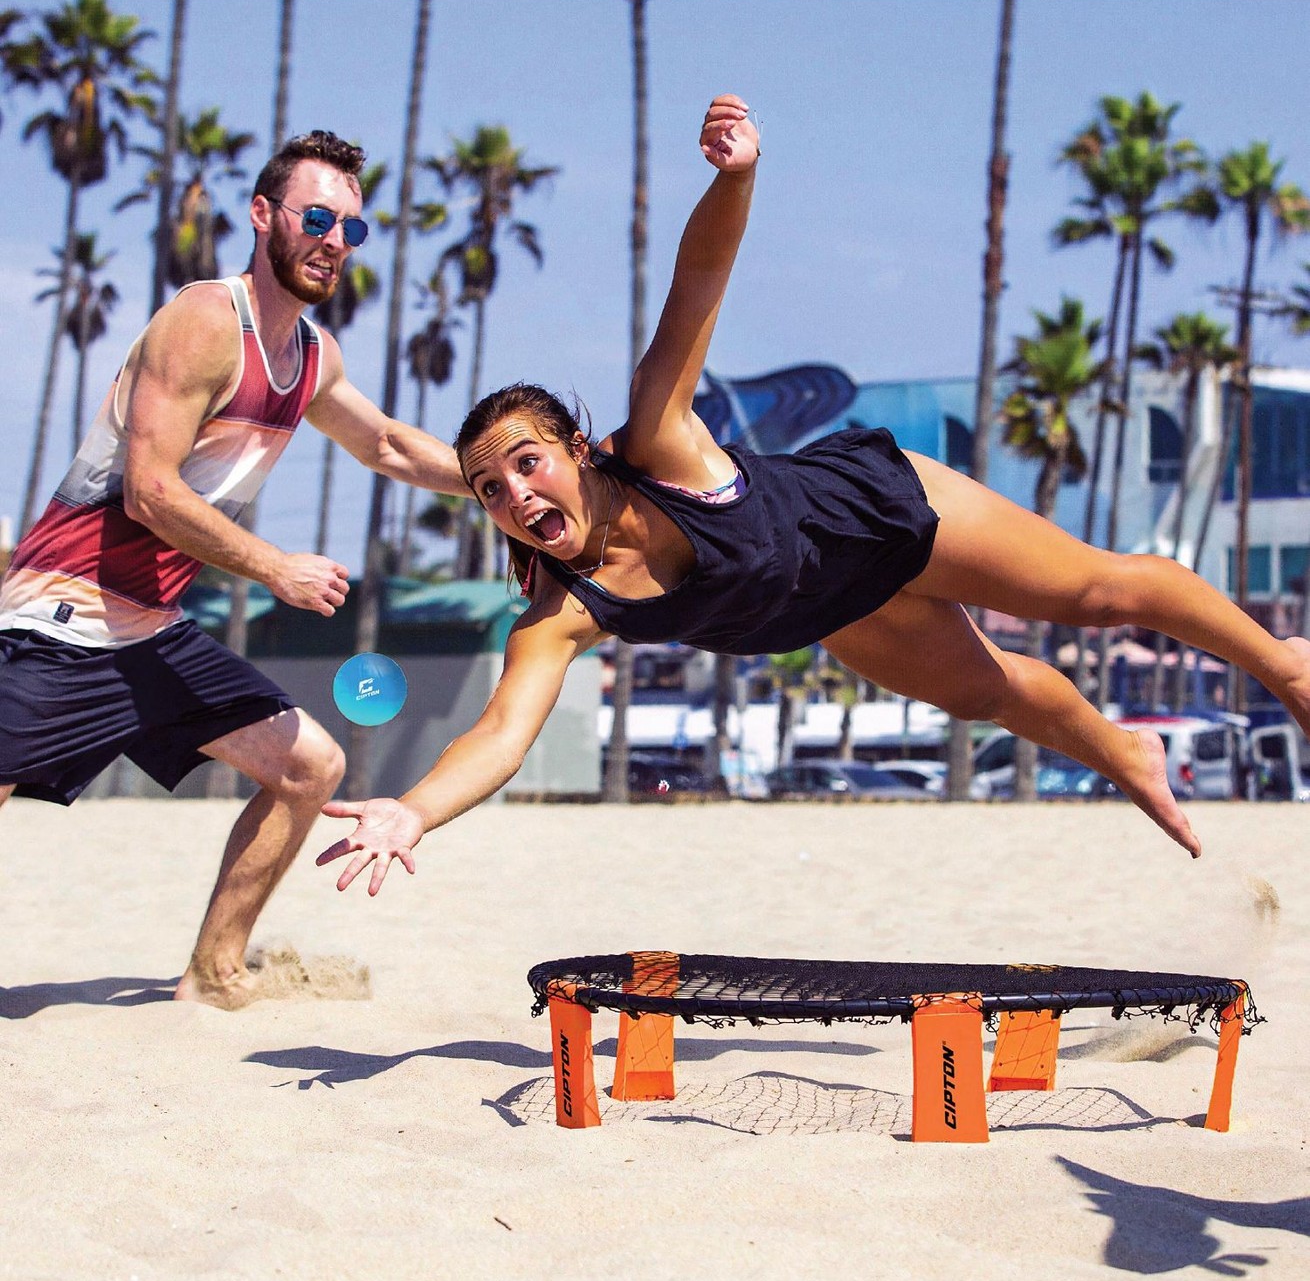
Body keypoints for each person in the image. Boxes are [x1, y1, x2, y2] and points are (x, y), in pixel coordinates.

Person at [316, 93, 1310, 894]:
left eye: (527, 462)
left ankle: (1283, 666)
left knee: (1092, 593)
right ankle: (1125, 753)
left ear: (577, 451)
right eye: (489, 488)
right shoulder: (558, 616)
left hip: (873, 506)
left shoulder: (655, 442)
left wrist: (736, 177)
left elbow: (695, 290)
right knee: (989, 693)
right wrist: (413, 810)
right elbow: (499, 734)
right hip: (830, 606)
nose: (513, 492)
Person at [0, 129, 470, 1006]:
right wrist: (275, 568)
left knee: (309, 766)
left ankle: (215, 973)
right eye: (317, 218)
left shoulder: (314, 357)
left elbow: (389, 446)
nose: (334, 240)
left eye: (352, 228)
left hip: (149, 631)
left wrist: (503, 481)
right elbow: (149, 491)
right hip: (62, 612)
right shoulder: (208, 320)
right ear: (263, 215)